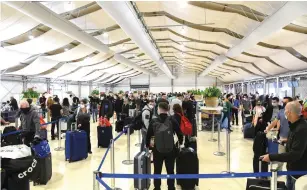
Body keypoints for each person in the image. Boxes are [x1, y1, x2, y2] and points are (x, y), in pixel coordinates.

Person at [261, 101, 307, 190]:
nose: (284, 112)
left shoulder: (301, 129)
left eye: (285, 110)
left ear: (289, 112)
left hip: (298, 173)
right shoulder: (295, 125)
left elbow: (295, 154)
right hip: (291, 170)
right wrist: (286, 141)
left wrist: (271, 157)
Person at [146, 102, 183, 190]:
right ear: (167, 109)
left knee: (157, 170)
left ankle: (157, 187)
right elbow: (179, 133)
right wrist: (180, 143)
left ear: (159, 109)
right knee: (170, 170)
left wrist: (149, 146)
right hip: (170, 149)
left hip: (157, 150)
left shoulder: (154, 121)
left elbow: (148, 136)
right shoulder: (172, 120)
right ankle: (171, 187)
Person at [265, 97, 293, 171]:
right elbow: (275, 121)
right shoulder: (281, 111)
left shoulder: (294, 113)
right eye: (283, 102)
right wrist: (268, 129)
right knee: (281, 155)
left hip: (292, 139)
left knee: (292, 157)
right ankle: (279, 170)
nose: (284, 104)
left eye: (286, 102)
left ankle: (290, 173)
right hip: (282, 137)